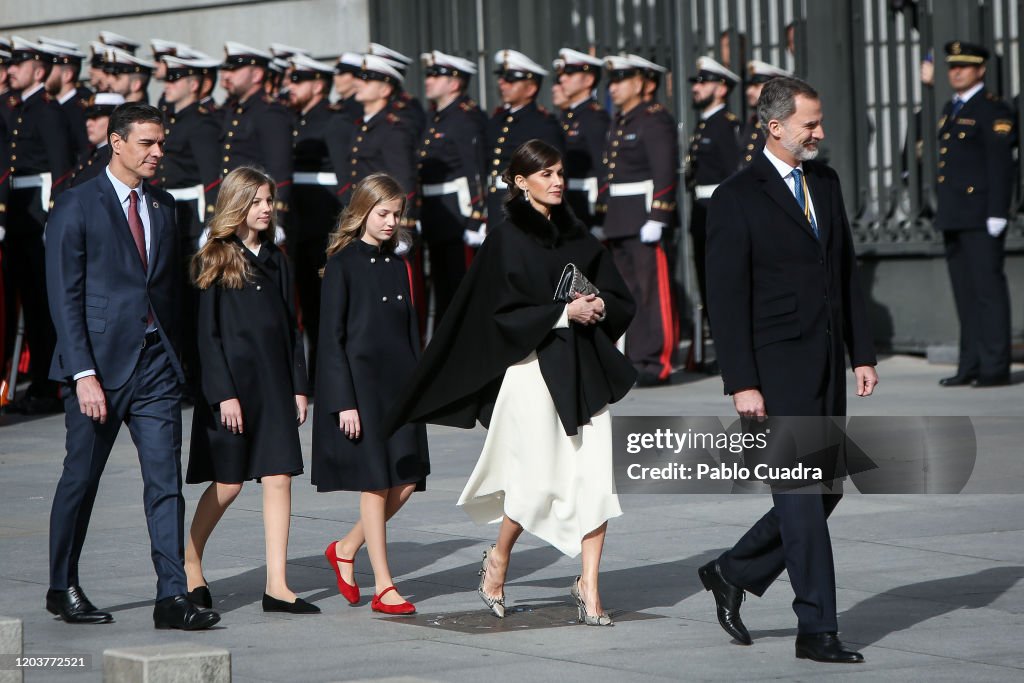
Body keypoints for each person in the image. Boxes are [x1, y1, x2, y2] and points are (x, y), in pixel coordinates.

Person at [385, 140, 636, 626]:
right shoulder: (505, 239)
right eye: (545, 174)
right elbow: (496, 315)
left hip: (585, 370)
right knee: (534, 481)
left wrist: (600, 305)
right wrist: (563, 312)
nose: (557, 181)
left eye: (560, 172)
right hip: (532, 371)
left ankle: (590, 586)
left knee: (596, 480)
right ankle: (498, 558)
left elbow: (617, 294)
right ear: (521, 182)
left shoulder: (578, 233)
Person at [702, 76, 877, 663]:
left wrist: (863, 353)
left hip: (825, 363)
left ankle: (732, 569)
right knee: (802, 495)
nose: (820, 133)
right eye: (811, 123)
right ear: (775, 127)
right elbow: (725, 299)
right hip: (775, 370)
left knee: (823, 492)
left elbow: (845, 272)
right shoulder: (735, 196)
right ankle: (817, 629)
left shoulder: (823, 182)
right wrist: (742, 381)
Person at [45, 102, 220, 630]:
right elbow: (65, 298)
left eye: (161, 143)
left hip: (155, 367)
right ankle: (62, 585)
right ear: (116, 144)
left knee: (165, 485)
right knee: (82, 479)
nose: (157, 152)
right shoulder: (76, 205)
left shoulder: (165, 206)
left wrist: (184, 360)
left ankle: (172, 596)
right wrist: (82, 374)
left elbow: (173, 293)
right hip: (96, 368)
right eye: (147, 143)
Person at [184, 167, 317, 615]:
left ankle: (277, 585)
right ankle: (190, 562)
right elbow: (206, 336)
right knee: (229, 484)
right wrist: (223, 394)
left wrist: (300, 387)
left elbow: (289, 328)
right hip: (232, 391)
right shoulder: (215, 256)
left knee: (279, 477)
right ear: (237, 204)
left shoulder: (278, 259)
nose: (266, 209)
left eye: (268, 201)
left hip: (275, 387)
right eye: (257, 201)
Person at [313, 173, 429, 615]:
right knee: (376, 483)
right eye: (383, 213)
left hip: (400, 387)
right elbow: (331, 339)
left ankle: (345, 548)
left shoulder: (399, 263)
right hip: (361, 390)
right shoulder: (342, 263)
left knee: (407, 480)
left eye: (396, 215)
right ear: (363, 211)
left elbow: (409, 333)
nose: (390, 222)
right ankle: (384, 585)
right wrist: (343, 401)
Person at [934, 41, 1015, 388]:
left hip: (982, 215)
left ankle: (995, 367)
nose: (957, 72)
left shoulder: (992, 110)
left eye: (964, 66)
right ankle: (970, 364)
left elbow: (1000, 165)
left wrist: (998, 211)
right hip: (955, 215)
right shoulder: (950, 108)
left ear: (980, 69)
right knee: (965, 294)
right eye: (953, 66)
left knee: (987, 292)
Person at [595, 56, 678, 386]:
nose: (613, 88)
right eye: (612, 81)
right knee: (628, 292)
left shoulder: (653, 120)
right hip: (620, 217)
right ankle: (634, 357)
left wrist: (659, 214)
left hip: (643, 216)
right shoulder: (623, 120)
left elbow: (664, 170)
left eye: (621, 80)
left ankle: (656, 362)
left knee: (650, 293)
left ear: (645, 83)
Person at [4, 38, 73, 415]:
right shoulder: (19, 109)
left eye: (20, 63)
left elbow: (61, 166)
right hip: (20, 212)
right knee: (27, 302)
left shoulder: (46, 110)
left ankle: (50, 386)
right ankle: (39, 384)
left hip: (40, 212)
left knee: (43, 304)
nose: (11, 69)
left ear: (39, 70)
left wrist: (55, 217)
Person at [288, 53, 351, 387]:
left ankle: (327, 375)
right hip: (302, 226)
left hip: (325, 227)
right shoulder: (299, 120)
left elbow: (345, 181)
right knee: (308, 305)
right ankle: (312, 375)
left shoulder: (333, 121)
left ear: (318, 84)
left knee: (325, 306)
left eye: (298, 80)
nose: (290, 86)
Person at [417, 50, 486, 325]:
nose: (429, 80)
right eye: (428, 74)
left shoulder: (465, 118)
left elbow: (476, 169)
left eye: (436, 75)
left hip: (460, 217)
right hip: (437, 215)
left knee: (461, 289)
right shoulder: (436, 117)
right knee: (443, 290)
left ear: (455, 83)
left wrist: (477, 215)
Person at [684, 56, 741, 316]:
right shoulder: (705, 124)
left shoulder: (726, 125)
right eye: (697, 83)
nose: (696, 88)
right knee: (707, 284)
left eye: (703, 83)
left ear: (721, 88)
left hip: (718, 213)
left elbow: (733, 174)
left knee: (722, 285)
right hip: (701, 212)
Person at [219, 42, 294, 240]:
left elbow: (280, 170)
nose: (227, 76)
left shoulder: (270, 113)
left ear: (257, 75)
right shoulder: (236, 110)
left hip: (258, 213)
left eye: (235, 70)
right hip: (235, 209)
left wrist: (278, 220)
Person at [483, 50, 563, 233]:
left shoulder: (543, 124)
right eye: (502, 78)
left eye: (510, 79)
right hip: (497, 203)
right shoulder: (498, 120)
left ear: (531, 88)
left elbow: (551, 173)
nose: (502, 83)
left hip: (525, 206)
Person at [552, 49, 609, 232]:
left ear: (588, 80)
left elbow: (603, 169)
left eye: (570, 74)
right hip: (568, 199)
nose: (562, 79)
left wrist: (601, 215)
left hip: (587, 201)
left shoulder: (594, 118)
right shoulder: (567, 116)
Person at [739, 60, 791, 167]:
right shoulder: (753, 122)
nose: (748, 91)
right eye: (749, 86)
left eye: (756, 86)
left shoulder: (783, 123)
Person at [68, 93, 123, 188]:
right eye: (88, 118)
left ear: (115, 120)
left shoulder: (117, 157)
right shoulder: (90, 155)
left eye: (95, 117)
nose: (88, 123)